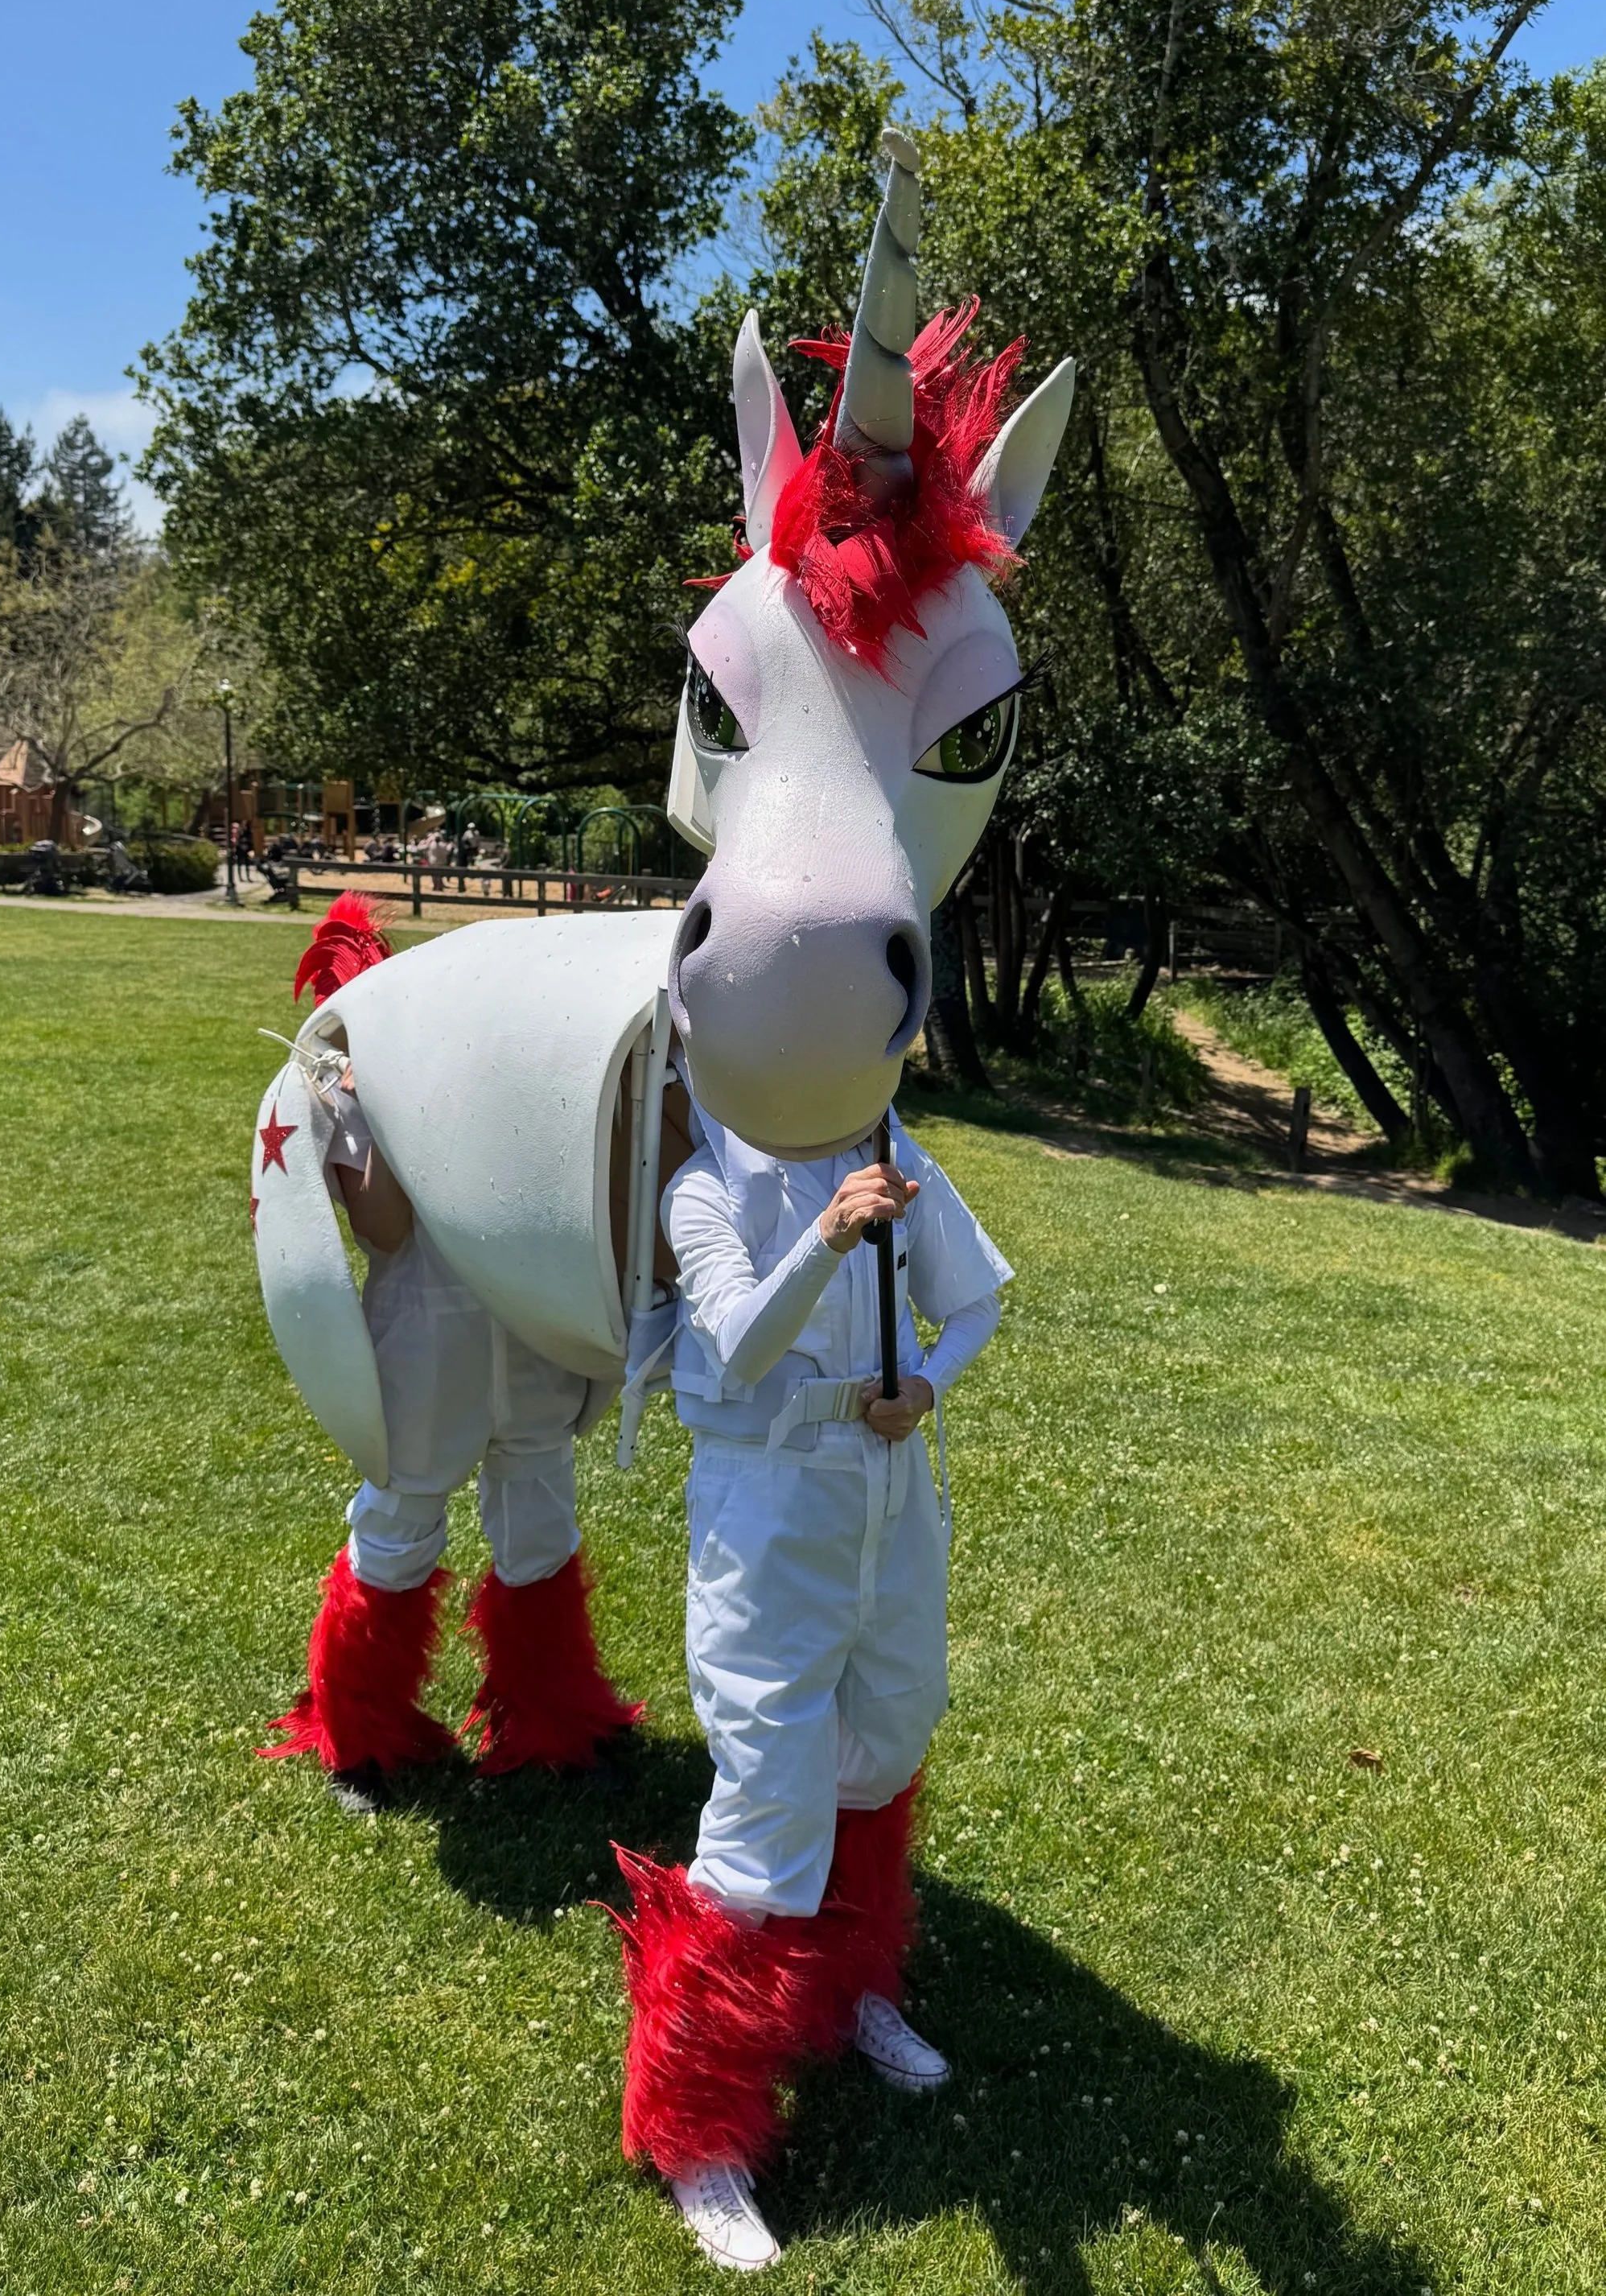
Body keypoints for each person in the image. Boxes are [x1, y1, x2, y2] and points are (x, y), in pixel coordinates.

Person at [607, 1097, 1009, 2271]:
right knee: (770, 1776)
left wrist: (929, 1381)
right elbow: (735, 1335)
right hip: (766, 1497)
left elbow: (975, 1292)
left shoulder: (886, 1151)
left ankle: (845, 1987)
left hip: (889, 1481)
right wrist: (830, 1233)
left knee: (889, 1729)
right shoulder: (702, 1184)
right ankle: (697, 2125)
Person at [261, 895, 642, 1803]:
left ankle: (551, 1716)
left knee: (540, 1518)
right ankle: (360, 1729)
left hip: (530, 1326)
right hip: (428, 1339)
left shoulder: (516, 1071)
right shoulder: (361, 1083)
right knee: (397, 1521)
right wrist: (362, 1114)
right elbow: (387, 1227)